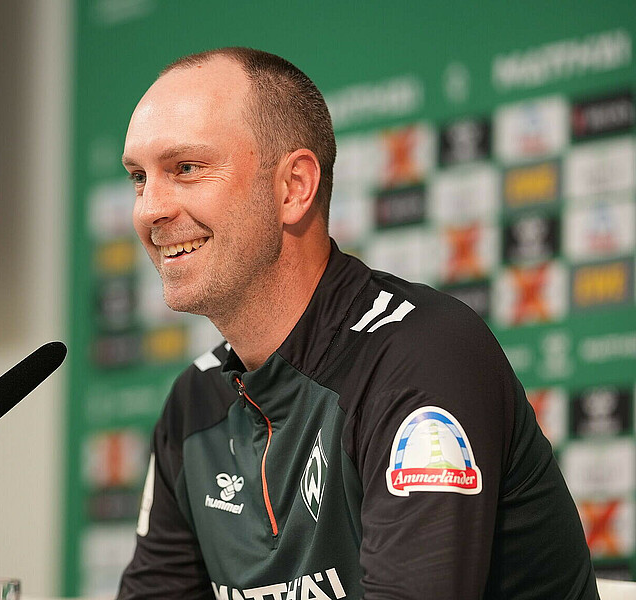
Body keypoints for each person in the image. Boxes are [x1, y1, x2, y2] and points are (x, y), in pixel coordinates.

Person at [117, 48, 597, 599]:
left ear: (294, 187)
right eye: (138, 178)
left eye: (186, 169)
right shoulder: (193, 404)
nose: (149, 210)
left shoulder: (422, 357)